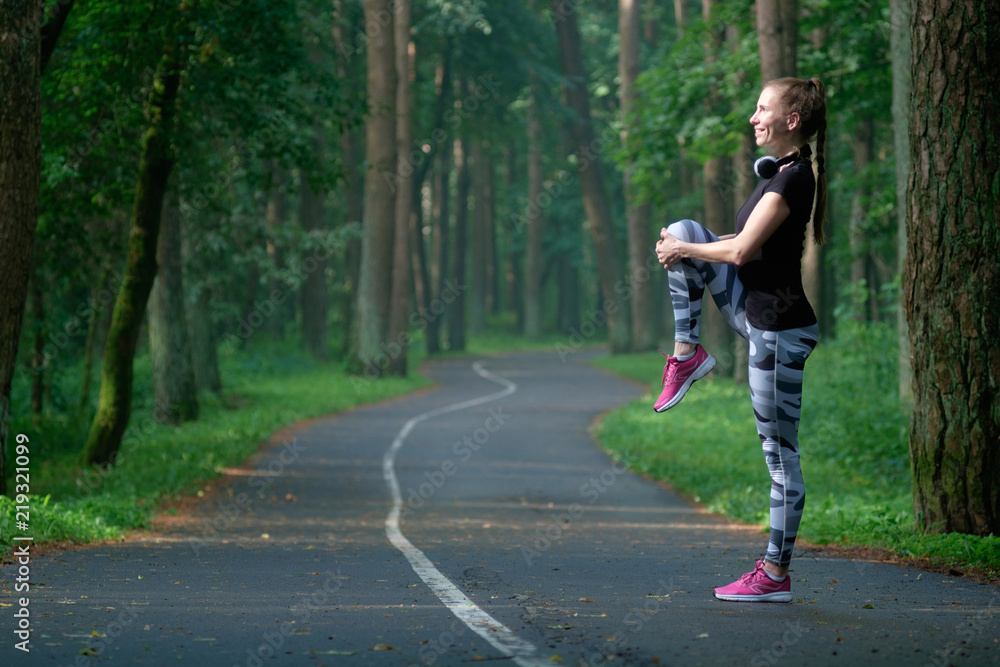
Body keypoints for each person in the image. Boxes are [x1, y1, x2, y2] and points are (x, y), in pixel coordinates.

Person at [653, 77, 827, 603]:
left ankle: (774, 574)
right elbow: (736, 243)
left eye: (761, 109)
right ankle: (688, 355)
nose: (753, 118)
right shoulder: (777, 175)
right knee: (682, 226)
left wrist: (686, 251)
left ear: (791, 120)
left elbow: (740, 254)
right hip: (755, 317)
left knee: (780, 458)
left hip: (778, 333)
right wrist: (681, 244)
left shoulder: (793, 180)